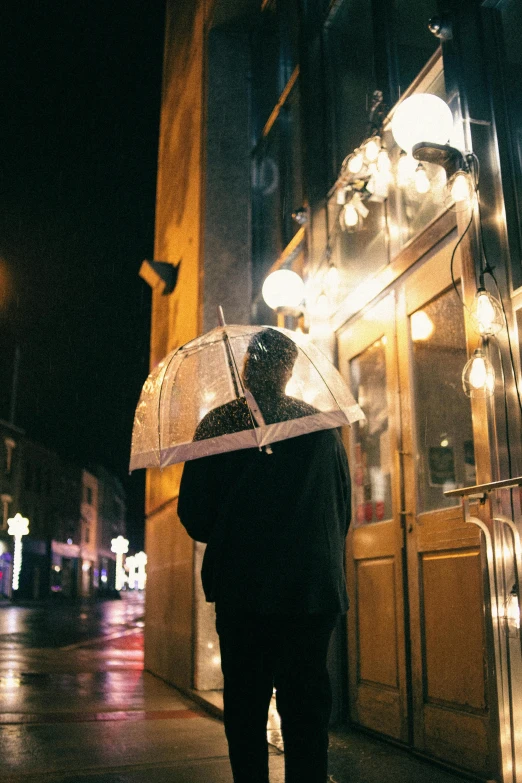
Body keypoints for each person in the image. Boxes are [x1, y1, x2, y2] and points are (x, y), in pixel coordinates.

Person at [178, 328, 351, 783]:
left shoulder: (218, 425)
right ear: (289, 370)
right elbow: (341, 508)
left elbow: (194, 516)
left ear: (245, 368)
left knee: (246, 712)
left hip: (244, 593)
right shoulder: (321, 425)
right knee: (307, 715)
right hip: (311, 594)